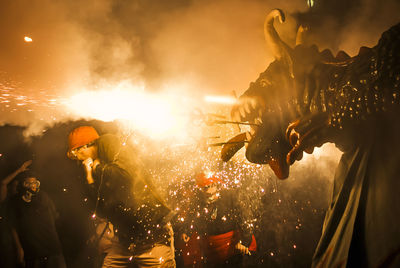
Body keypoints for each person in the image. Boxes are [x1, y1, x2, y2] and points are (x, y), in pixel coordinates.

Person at [67, 126, 176, 267]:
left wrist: (97, 168)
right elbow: (100, 210)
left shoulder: (107, 142)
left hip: (153, 237)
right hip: (126, 239)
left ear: (82, 147)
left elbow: (126, 176)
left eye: (75, 154)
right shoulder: (95, 169)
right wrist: (89, 177)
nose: (77, 160)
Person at [178, 172, 256, 268]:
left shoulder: (230, 196)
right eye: (205, 188)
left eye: (212, 186)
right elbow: (191, 217)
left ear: (217, 185)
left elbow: (245, 219)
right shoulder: (197, 200)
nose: (209, 191)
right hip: (211, 253)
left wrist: (244, 242)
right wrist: (187, 231)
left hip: (235, 249)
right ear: (200, 189)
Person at [8, 172, 66, 268]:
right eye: (29, 183)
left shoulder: (43, 197)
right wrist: (19, 248)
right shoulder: (15, 202)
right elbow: (13, 226)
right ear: (23, 184)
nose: (33, 185)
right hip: (32, 251)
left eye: (34, 182)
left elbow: (54, 215)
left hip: (52, 247)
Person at [0, 160, 32, 268]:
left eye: (18, 186)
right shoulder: (5, 200)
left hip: (21, 238)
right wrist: (19, 170)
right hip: (6, 238)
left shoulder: (21, 201)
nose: (16, 188)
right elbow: (3, 183)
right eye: (14, 186)